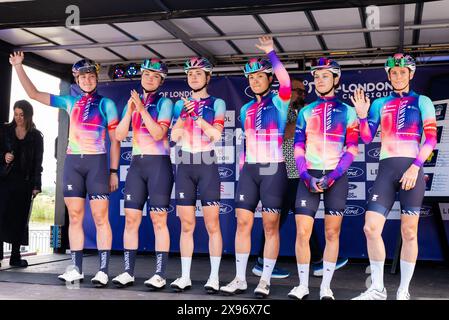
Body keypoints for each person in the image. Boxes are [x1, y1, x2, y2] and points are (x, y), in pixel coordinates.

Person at [9, 52, 120, 287]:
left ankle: (102, 270)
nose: (87, 80)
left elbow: (115, 140)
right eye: (83, 77)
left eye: (91, 76)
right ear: (76, 80)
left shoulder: (106, 103)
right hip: (73, 164)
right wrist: (18, 66)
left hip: (97, 162)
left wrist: (113, 171)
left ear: (96, 78)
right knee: (76, 217)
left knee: (101, 218)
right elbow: (33, 95)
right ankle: (76, 268)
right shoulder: (70, 101)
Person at [351, 53, 437, 300]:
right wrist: (361, 115)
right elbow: (367, 138)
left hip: (412, 169)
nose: (397, 76)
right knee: (370, 228)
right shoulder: (380, 103)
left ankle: (403, 290)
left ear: (411, 74)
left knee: (409, 232)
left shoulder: (423, 101)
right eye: (393, 72)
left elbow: (430, 138)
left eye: (402, 72)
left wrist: (416, 166)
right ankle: (377, 288)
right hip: (386, 170)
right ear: (388, 76)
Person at [220, 36, 291, 298]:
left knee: (271, 226)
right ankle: (239, 279)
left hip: (273, 168)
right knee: (243, 223)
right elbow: (247, 142)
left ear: (268, 79)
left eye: (260, 76)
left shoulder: (280, 101)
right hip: (250, 170)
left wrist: (271, 53)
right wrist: (241, 168)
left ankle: (265, 280)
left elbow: (285, 81)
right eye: (251, 78)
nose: (255, 81)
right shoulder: (246, 109)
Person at [289, 57, 359, 300]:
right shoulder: (306, 111)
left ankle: (325, 286)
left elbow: (352, 149)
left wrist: (335, 175)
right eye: (317, 76)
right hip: (308, 176)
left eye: (325, 76)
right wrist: (305, 174)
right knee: (302, 233)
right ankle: (302, 285)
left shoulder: (348, 111)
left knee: (332, 233)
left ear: (336, 79)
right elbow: (298, 146)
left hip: (336, 177)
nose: (319, 80)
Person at [112, 58, 174, 290]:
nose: (149, 78)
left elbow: (158, 134)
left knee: (159, 220)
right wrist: (130, 111)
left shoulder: (165, 102)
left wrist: (142, 109)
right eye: (146, 74)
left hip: (159, 165)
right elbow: (118, 135)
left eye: (154, 76)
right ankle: (128, 271)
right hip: (137, 165)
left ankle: (160, 274)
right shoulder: (133, 101)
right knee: (131, 218)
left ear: (161, 80)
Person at [169, 56, 226, 294]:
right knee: (186, 225)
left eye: (198, 74)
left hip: (206, 162)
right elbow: (174, 137)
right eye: (190, 74)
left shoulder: (218, 103)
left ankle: (213, 278)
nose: (194, 77)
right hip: (185, 163)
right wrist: (184, 115)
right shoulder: (179, 105)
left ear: (207, 77)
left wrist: (197, 117)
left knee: (213, 225)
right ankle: (184, 277)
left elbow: (216, 135)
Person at [0, 100, 43, 268]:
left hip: (24, 183)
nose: (18, 118)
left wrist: (36, 185)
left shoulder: (36, 136)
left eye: (21, 115)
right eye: (16, 114)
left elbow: (37, 163)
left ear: (28, 116)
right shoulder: (4, 130)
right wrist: (3, 156)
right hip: (3, 180)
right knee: (1, 216)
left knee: (19, 219)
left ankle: (15, 256)